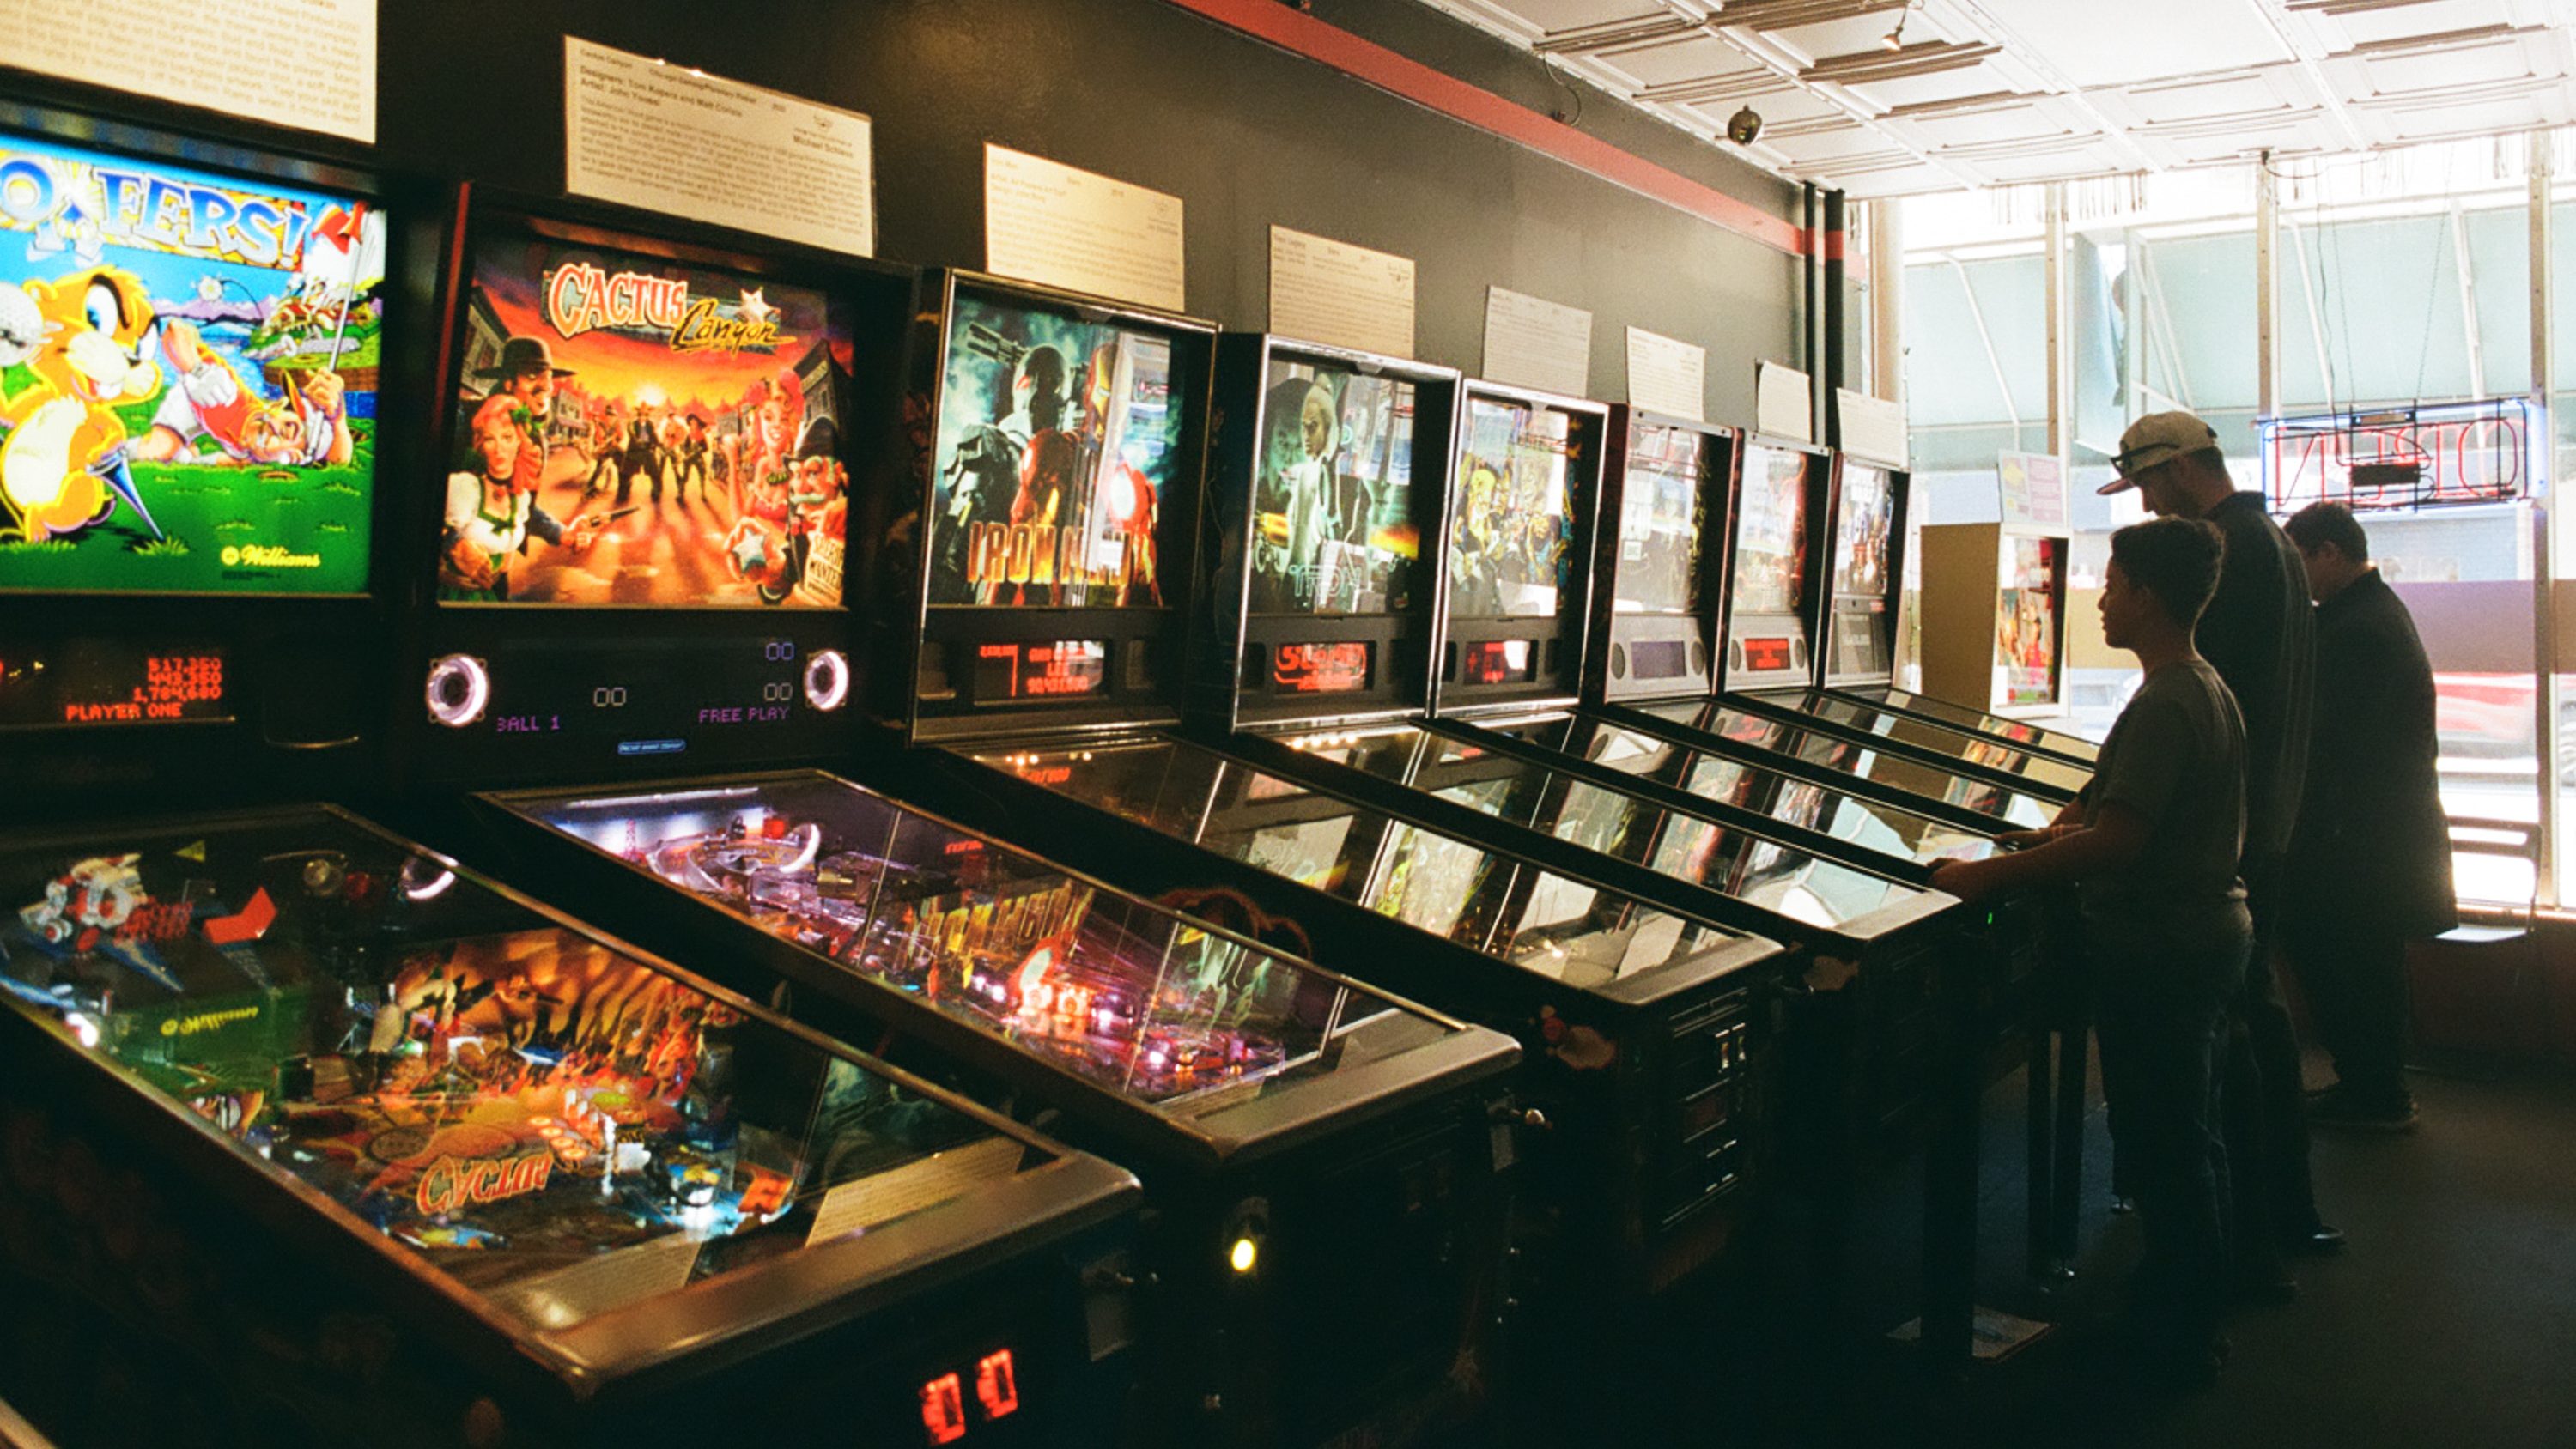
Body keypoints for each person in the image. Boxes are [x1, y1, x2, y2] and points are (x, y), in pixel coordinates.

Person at [1935, 518, 2246, 1388]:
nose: (2101, 598)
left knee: (2168, 1136)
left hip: (2166, 944)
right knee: (2185, 1131)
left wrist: (1990, 877)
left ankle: (2180, 1332)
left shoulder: (2167, 700)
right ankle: (2181, 1302)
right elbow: (2104, 812)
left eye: (2111, 583)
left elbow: (2119, 841)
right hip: (2203, 936)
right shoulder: (2197, 684)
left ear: (2146, 594)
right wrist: (2050, 833)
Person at [2099, 411, 2339, 1278]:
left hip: (2219, 847)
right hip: (2262, 824)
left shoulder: (2229, 554)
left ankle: (2238, 1245)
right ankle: (2275, 1216)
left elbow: (2195, 718)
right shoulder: (2272, 540)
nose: (2153, 507)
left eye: (2151, 488)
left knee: (2222, 1051)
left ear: (2180, 471)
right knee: (2251, 1021)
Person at [2280, 502, 2455, 1130]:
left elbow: (2328, 737)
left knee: (2352, 971)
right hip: (2377, 839)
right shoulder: (2375, 613)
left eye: (2295, 559)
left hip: (2358, 843)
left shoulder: (2358, 630)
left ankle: (2375, 1094)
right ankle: (2372, 1087)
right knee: (2362, 969)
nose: (2291, 576)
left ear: (2328, 552)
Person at [439, 394, 600, 600]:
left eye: (507, 438)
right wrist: (454, 544)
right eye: (490, 439)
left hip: (493, 593)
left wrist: (564, 534)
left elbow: (530, 516)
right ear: (481, 444)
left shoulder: (519, 497)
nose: (499, 449)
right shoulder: (465, 487)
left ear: (520, 442)